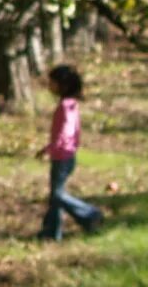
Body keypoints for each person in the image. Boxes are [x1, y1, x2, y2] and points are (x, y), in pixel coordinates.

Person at [36, 63, 106, 241]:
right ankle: (51, 233)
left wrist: (49, 149)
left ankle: (90, 214)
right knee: (55, 197)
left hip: (62, 157)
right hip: (64, 155)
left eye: (52, 82)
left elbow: (64, 133)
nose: (49, 86)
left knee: (58, 195)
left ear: (63, 85)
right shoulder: (70, 104)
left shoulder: (66, 106)